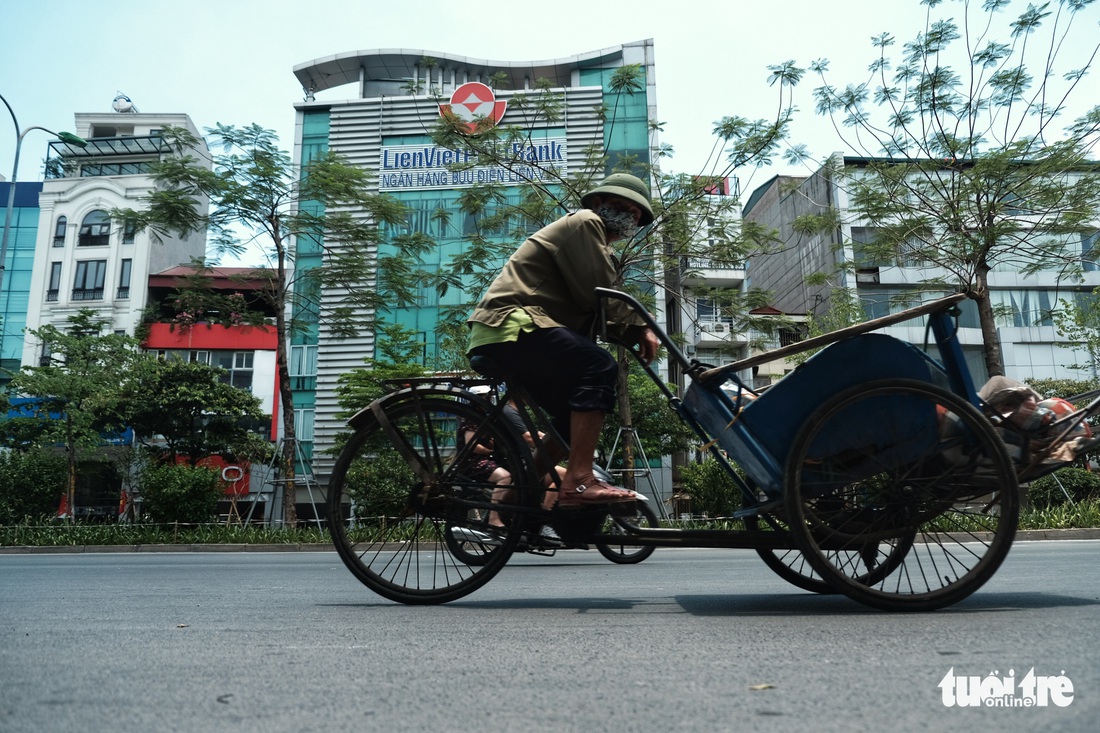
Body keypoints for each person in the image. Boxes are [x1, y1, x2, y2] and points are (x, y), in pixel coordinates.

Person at [467, 172, 660, 508]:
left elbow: (597, 311)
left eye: (634, 214)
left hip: (520, 331)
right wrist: (642, 325)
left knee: (570, 422)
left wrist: (632, 330)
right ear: (598, 203)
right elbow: (597, 295)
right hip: (512, 324)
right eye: (619, 206)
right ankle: (579, 482)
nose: (627, 217)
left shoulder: (596, 243)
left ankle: (513, 499)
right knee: (600, 365)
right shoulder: (585, 222)